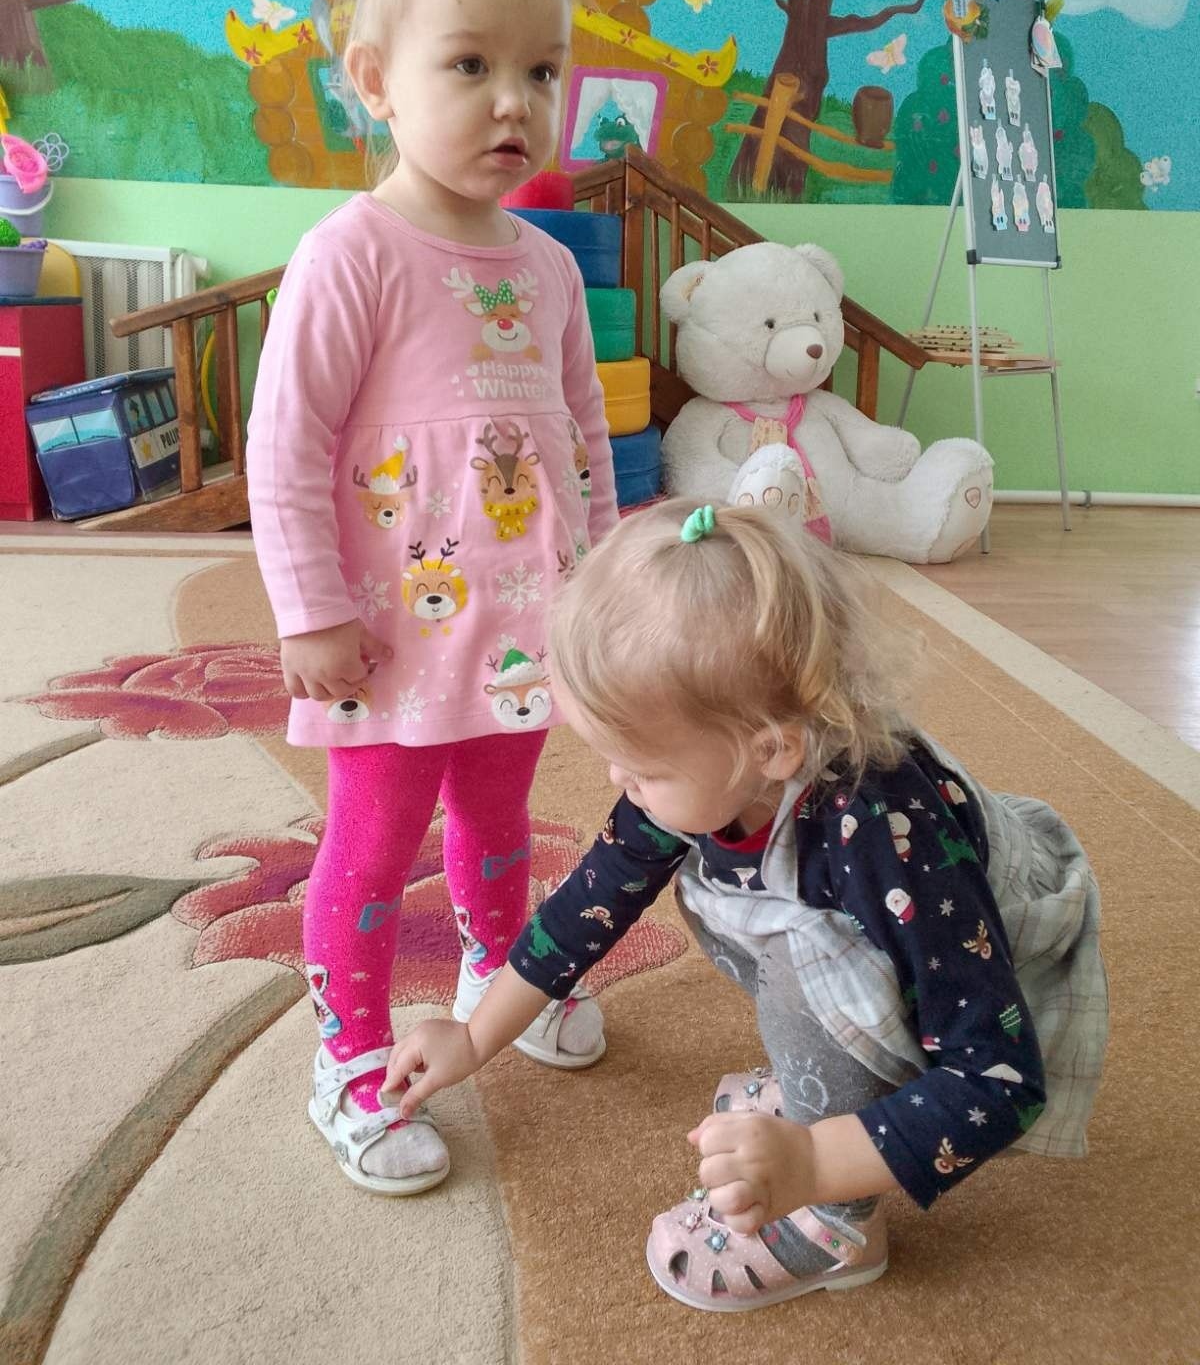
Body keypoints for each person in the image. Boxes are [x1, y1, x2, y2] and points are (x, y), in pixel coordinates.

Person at [382, 500, 1107, 1310]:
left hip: (978, 960)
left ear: (771, 749)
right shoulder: (722, 764)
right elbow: (593, 899)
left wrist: (812, 1164)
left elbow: (1000, 1080)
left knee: (800, 961)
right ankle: (834, 1081)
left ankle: (840, 1229)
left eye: (641, 768)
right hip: (881, 944)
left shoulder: (883, 840)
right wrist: (475, 1035)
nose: (618, 782)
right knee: (731, 901)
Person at [246, 0, 618, 1196]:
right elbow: (284, 443)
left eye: (542, 71)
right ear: (374, 82)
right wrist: (309, 610)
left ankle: (495, 975)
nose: (515, 101)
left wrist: (602, 587)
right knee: (372, 842)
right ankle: (349, 1055)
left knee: (502, 818)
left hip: (522, 627)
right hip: (387, 635)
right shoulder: (349, 253)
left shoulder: (550, 267)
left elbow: (583, 438)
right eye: (470, 65)